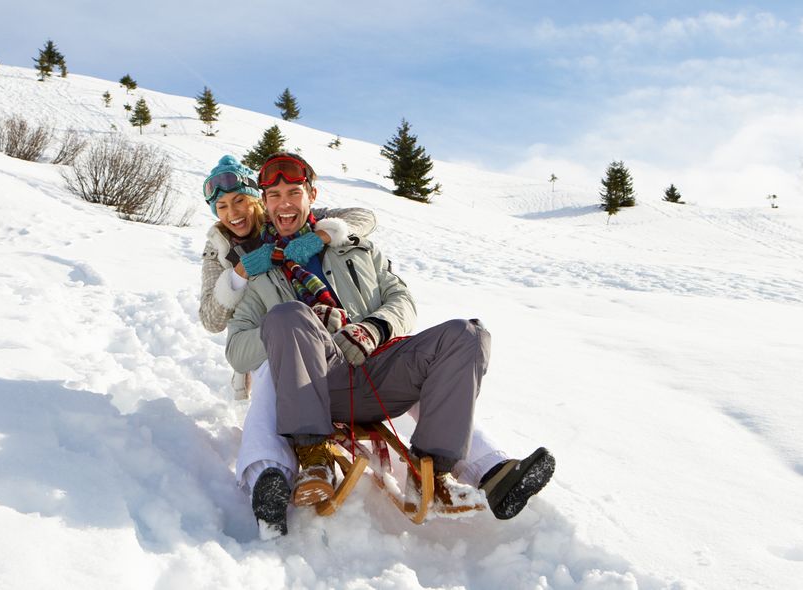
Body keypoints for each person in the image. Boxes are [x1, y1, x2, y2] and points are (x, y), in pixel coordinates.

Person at [225, 152, 555, 520]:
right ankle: (313, 458)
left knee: (467, 335)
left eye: (294, 192)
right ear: (265, 204)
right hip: (316, 386)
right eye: (274, 195)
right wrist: (296, 333)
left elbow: (402, 299)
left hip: (379, 368)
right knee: (288, 315)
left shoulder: (355, 248)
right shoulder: (260, 274)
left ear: (312, 196)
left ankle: (436, 466)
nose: (285, 204)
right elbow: (237, 350)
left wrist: (373, 328)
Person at [197, 155, 376, 536]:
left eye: (241, 201)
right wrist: (241, 272)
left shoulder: (287, 214)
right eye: (223, 206)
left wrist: (321, 235)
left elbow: (362, 218)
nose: (234, 213)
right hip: (262, 338)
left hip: (320, 332)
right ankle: (266, 475)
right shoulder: (220, 249)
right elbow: (212, 319)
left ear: (257, 200)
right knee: (269, 377)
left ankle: (480, 462)